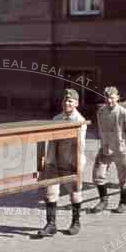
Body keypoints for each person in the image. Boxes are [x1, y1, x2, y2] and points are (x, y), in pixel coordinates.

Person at [36, 88, 87, 237]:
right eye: (65, 100)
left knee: (75, 192)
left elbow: (79, 145)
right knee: (50, 192)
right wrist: (48, 162)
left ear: (76, 103)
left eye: (70, 101)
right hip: (55, 161)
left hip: (72, 161)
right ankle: (51, 224)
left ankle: (76, 222)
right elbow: (51, 140)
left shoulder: (80, 121)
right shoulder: (56, 119)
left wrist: (76, 165)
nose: (67, 103)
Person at [91, 86, 126, 214]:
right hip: (106, 147)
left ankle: (123, 202)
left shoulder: (124, 113)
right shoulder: (101, 111)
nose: (109, 100)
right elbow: (100, 128)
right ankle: (103, 200)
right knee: (98, 174)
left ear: (117, 97)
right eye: (106, 97)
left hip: (122, 149)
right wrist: (103, 142)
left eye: (112, 97)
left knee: (124, 176)